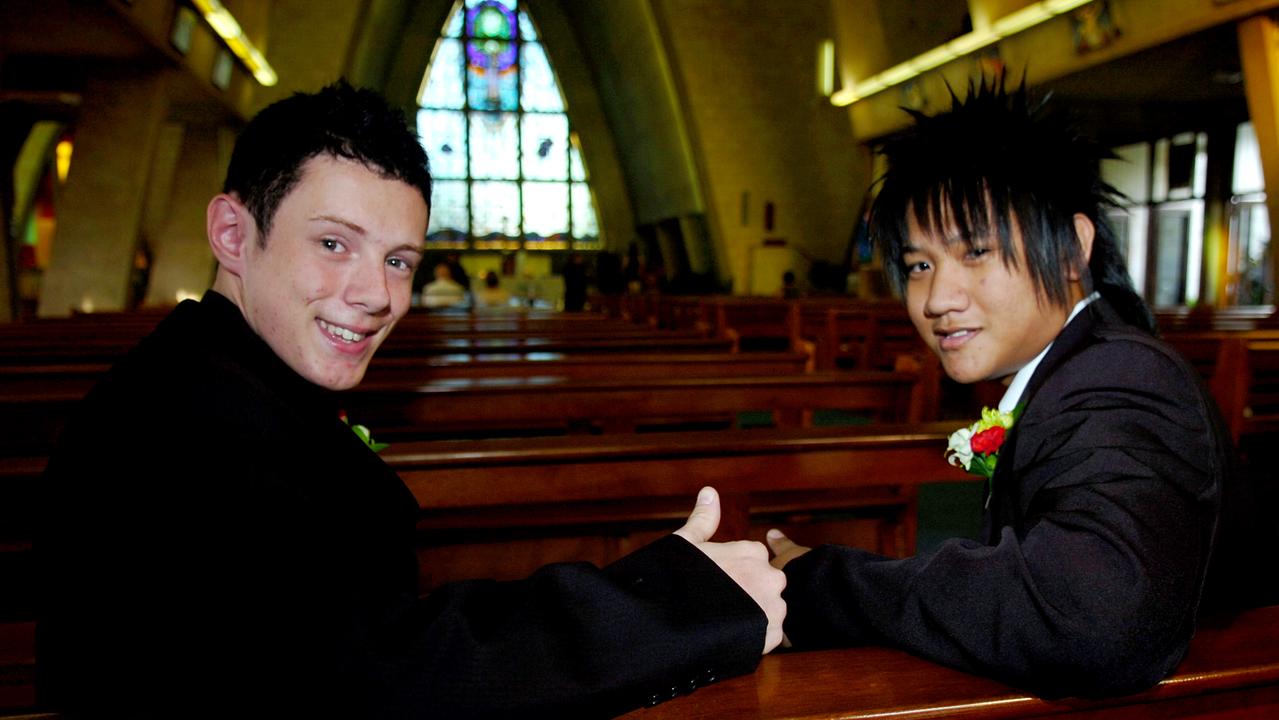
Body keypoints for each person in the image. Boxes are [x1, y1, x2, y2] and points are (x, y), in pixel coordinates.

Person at [35, 81, 785, 718]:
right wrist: (671, 604)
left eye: (398, 260)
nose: (374, 296)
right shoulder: (173, 427)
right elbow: (376, 675)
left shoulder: (232, 377)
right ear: (234, 233)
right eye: (333, 244)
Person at [767, 77, 1256, 698]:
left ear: (1074, 247)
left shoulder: (1123, 380)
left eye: (976, 251)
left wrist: (825, 585)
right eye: (920, 265)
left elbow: (1092, 624)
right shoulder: (1084, 365)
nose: (938, 299)